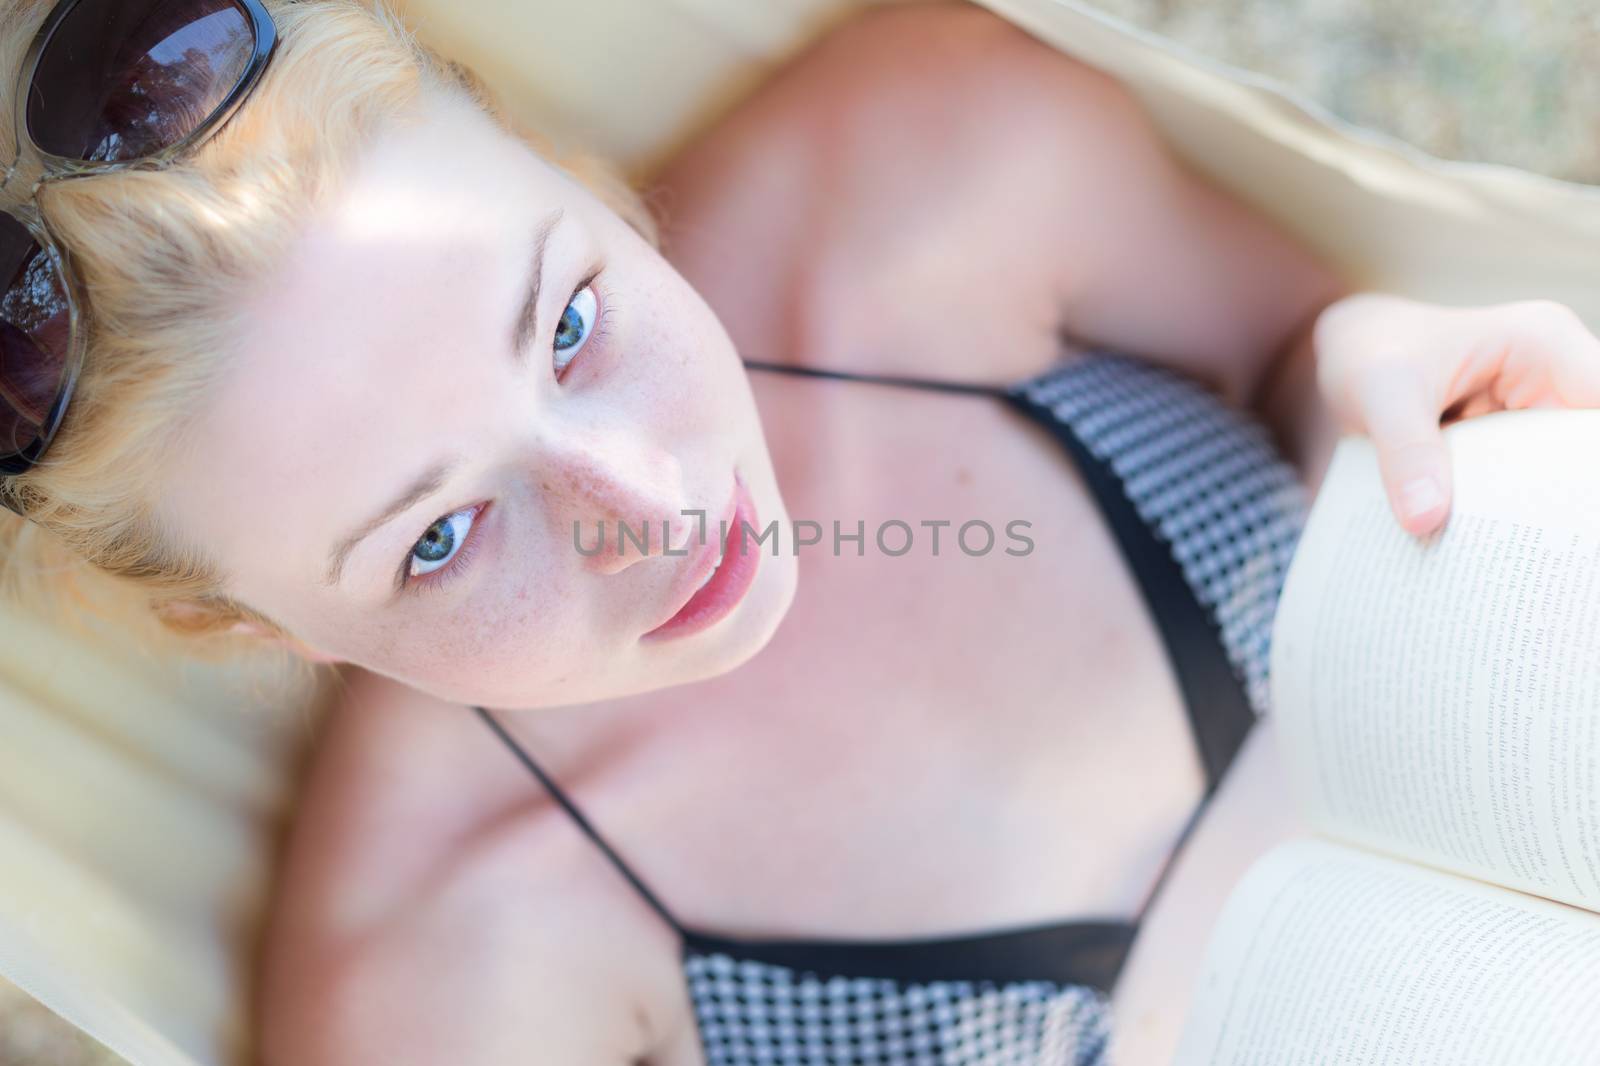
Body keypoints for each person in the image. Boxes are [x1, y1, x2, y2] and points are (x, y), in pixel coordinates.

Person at [2, 0, 1596, 1062]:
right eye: (437, 537)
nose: (651, 508)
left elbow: (1280, 347)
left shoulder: (931, 183)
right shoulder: (445, 978)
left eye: (567, 324)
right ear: (258, 629)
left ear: (571, 174)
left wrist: (1367, 358)